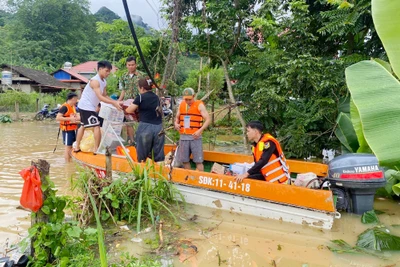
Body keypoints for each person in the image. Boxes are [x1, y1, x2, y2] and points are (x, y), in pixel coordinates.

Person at [75, 60, 122, 153]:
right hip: (86, 106)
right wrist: (114, 103)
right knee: (96, 126)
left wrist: (115, 102)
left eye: (109, 71)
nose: (108, 73)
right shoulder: (95, 81)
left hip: (88, 106)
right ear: (100, 69)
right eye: (106, 71)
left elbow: (104, 95)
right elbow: (100, 97)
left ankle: (77, 147)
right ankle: (96, 149)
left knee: (83, 125)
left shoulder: (104, 82)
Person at [126, 77, 164, 162]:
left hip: (146, 126)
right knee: (158, 153)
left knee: (142, 152)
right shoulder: (156, 97)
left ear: (142, 88)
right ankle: (159, 171)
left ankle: (142, 171)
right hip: (159, 127)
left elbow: (129, 110)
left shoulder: (140, 97)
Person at [174, 88, 210, 171]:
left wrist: (200, 130)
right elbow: (177, 118)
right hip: (183, 137)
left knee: (198, 160)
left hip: (195, 137)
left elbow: (208, 119)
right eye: (186, 99)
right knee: (184, 160)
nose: (188, 101)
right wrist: (176, 124)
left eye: (189, 99)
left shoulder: (199, 105)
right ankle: (188, 177)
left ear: (193, 96)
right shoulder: (182, 104)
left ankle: (199, 179)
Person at [119, 56, 144, 144]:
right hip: (127, 103)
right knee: (129, 122)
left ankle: (140, 140)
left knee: (140, 121)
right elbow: (123, 90)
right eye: (129, 65)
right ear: (126, 65)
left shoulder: (141, 75)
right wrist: (119, 101)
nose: (131, 67)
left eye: (132, 65)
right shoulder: (123, 76)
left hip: (138, 102)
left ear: (136, 65)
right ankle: (132, 141)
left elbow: (144, 89)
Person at [56, 92, 80, 162]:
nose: (76, 101)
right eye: (76, 99)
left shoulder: (73, 107)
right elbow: (58, 118)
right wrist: (70, 119)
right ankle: (67, 164)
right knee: (68, 147)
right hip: (67, 130)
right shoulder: (64, 107)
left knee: (72, 146)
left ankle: (70, 161)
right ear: (72, 99)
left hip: (73, 129)